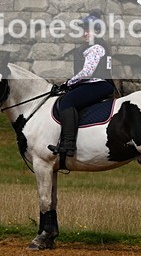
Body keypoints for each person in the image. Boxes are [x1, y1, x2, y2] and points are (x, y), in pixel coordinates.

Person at [48, 11, 115, 158]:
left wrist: (68, 83)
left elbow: (87, 72)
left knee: (67, 101)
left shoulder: (96, 47)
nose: (84, 34)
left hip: (98, 84)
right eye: (84, 30)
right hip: (97, 83)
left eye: (88, 30)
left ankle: (68, 144)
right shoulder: (96, 45)